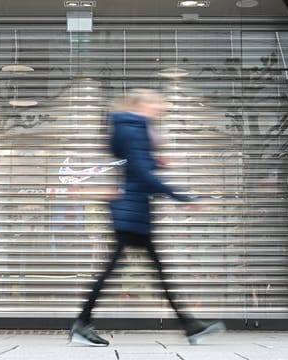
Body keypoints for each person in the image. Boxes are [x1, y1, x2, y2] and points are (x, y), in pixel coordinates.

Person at [69, 89, 225, 346]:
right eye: (155, 102)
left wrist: (156, 163)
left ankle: (189, 325)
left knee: (153, 271)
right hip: (132, 211)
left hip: (134, 210)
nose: (160, 105)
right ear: (141, 104)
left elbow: (135, 165)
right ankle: (82, 324)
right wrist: (182, 197)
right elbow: (140, 173)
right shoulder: (136, 127)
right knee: (118, 271)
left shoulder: (133, 126)